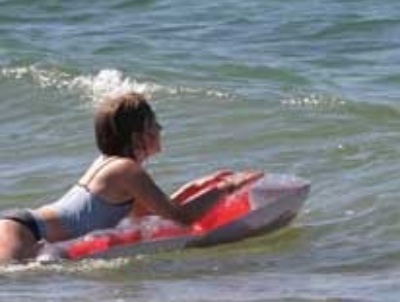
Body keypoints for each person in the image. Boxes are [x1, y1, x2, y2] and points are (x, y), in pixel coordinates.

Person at [0, 91, 253, 263]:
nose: (160, 129)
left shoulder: (114, 166)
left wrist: (199, 186)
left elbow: (149, 214)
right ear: (138, 136)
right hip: (24, 233)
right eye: (155, 124)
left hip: (22, 226)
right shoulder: (127, 171)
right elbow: (181, 217)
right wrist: (227, 188)